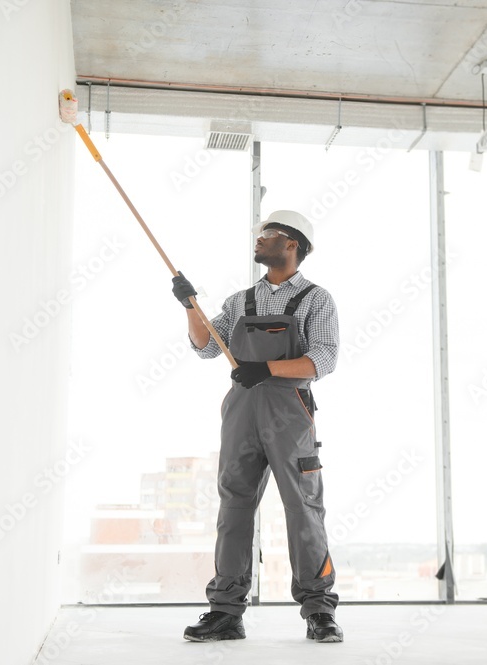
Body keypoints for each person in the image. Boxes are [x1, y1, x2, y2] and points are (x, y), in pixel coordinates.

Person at [172, 210, 343, 643]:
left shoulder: (316, 299)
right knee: (233, 508)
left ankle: (319, 611)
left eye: (267, 234)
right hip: (242, 413)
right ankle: (226, 612)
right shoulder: (240, 300)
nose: (258, 239)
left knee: (303, 509)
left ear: (292, 244)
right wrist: (192, 307)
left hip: (289, 414)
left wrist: (264, 367)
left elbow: (323, 360)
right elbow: (208, 348)